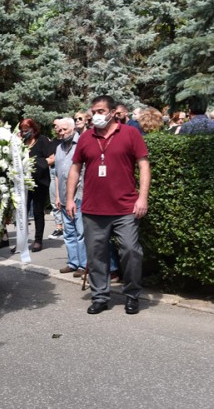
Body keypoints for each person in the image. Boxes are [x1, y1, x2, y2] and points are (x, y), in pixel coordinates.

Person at [66, 95, 151, 315]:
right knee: (96, 256)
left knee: (131, 251)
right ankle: (100, 296)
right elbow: (75, 169)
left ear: (113, 112)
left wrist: (142, 197)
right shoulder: (86, 137)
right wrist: (69, 199)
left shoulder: (130, 133)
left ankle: (132, 295)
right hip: (93, 209)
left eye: (101, 111)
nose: (96, 115)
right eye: (94, 111)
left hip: (125, 207)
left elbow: (143, 166)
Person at [54, 118, 87, 278]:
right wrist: (59, 196)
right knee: (68, 232)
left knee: (80, 232)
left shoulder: (81, 143)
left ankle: (83, 264)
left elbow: (82, 172)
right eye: (59, 130)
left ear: (73, 128)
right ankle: (73, 262)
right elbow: (57, 174)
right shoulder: (59, 148)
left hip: (79, 195)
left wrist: (74, 197)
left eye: (64, 129)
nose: (61, 132)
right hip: (64, 196)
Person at [19, 118, 54, 252]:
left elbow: (51, 158)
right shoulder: (21, 143)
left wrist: (35, 163)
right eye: (22, 130)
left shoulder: (42, 140)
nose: (24, 133)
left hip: (40, 182)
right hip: (24, 183)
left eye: (26, 130)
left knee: (38, 212)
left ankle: (38, 240)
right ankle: (21, 241)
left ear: (34, 130)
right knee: (22, 212)